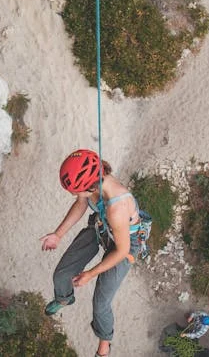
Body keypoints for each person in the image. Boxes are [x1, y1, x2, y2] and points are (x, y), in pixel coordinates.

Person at [41, 149, 143, 357]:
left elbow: (122, 251)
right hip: (102, 226)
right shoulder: (93, 180)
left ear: (91, 186)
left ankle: (104, 344)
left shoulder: (117, 207)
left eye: (77, 191)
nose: (73, 195)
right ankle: (64, 298)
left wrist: (90, 273)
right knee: (61, 275)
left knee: (101, 304)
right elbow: (81, 203)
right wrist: (58, 235)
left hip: (124, 244)